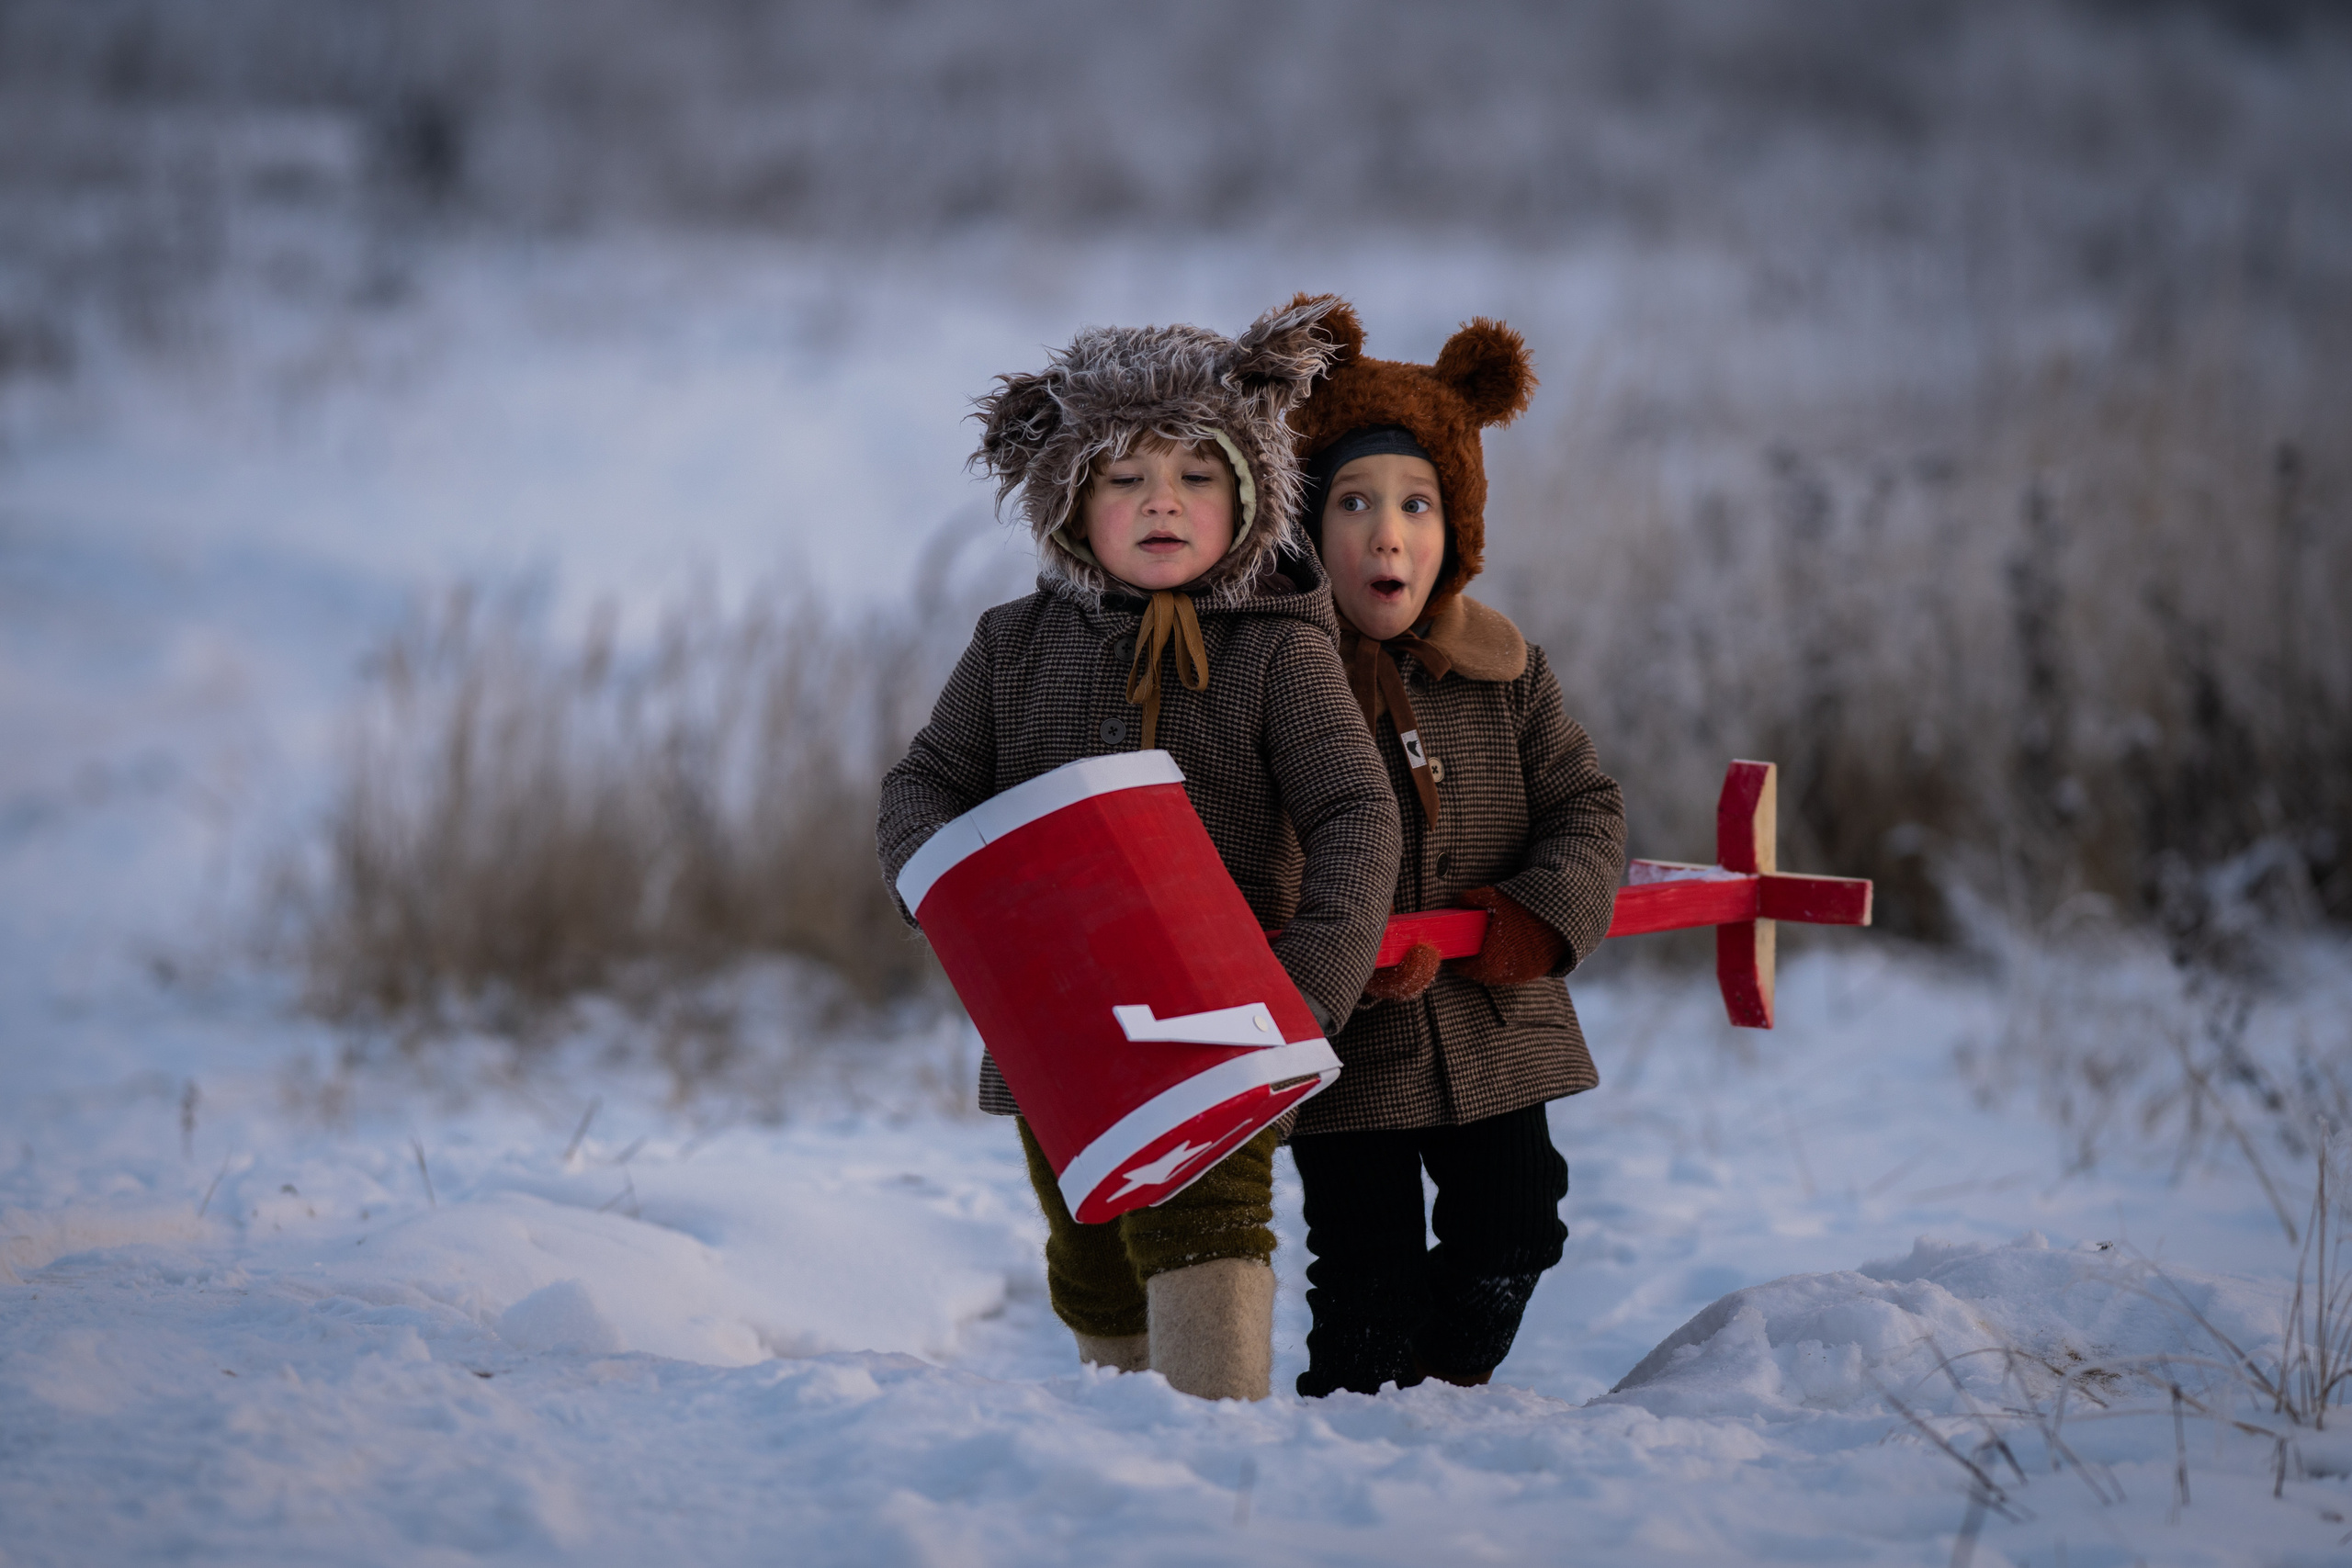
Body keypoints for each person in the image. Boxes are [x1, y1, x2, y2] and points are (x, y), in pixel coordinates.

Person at [877, 296, 1401, 1401]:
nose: (1161, 501)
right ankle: (1122, 1431)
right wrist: (949, 893)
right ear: (1069, 501)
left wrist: (1306, 984)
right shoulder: (1013, 648)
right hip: (1054, 1015)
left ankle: (1214, 1437)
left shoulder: (1278, 657)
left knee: (1207, 1221)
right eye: (1123, 477)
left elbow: (1357, 815)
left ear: (1251, 496)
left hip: (1224, 1005)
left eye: (1195, 475)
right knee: (1093, 1242)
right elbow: (924, 785)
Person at [1283, 299, 1627, 1397]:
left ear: (1457, 528)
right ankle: (1352, 1424)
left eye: (1418, 504)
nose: (1389, 532)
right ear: (1301, 526)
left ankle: (1439, 1394)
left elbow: (1586, 804)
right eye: (1353, 502)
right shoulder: (1277, 682)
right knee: (1366, 1271)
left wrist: (1535, 917)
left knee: (1517, 1232)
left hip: (1493, 1016)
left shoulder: (1505, 671)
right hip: (1351, 1038)